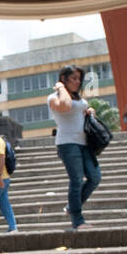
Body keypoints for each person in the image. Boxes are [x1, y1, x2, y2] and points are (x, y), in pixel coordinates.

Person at [47, 65, 102, 230]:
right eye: (74, 78)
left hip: (84, 143)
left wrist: (89, 111)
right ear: (63, 79)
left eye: (79, 78)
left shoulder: (79, 98)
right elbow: (65, 105)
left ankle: (72, 207)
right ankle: (77, 220)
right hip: (67, 144)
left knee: (95, 177)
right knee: (77, 180)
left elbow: (78, 110)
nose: (78, 82)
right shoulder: (53, 98)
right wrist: (61, 88)